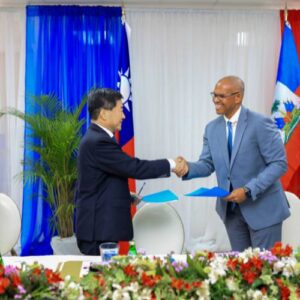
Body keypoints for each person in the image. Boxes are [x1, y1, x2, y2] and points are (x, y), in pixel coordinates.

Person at [176, 76, 290, 251]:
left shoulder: (261, 123)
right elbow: (207, 164)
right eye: (214, 95)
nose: (215, 100)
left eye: (221, 96)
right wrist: (187, 168)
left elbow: (278, 164)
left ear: (238, 97)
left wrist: (248, 190)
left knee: (267, 272)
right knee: (241, 271)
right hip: (231, 213)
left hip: (264, 210)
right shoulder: (211, 128)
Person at [76, 88, 181, 255]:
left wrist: (126, 196)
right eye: (120, 110)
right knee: (100, 278)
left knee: (106, 277)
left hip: (100, 227)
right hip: (98, 230)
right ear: (104, 114)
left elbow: (99, 181)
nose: (124, 116)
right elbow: (134, 167)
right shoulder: (98, 141)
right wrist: (172, 164)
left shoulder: (96, 138)